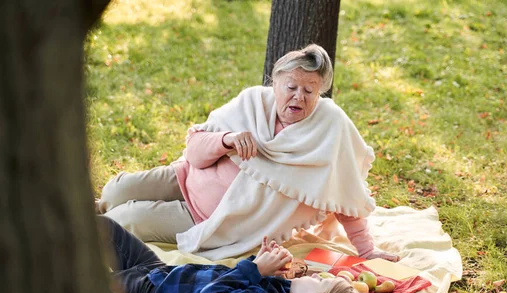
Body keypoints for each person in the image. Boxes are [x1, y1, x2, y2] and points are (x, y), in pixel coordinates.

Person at [97, 43, 400, 262]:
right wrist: (227, 140)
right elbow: (194, 152)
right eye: (291, 86)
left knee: (125, 219)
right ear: (275, 83)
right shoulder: (253, 101)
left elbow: (344, 191)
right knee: (115, 189)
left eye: (309, 91)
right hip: (185, 177)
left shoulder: (330, 127)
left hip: (208, 218)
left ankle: (76, 229)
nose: (299, 96)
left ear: (319, 93)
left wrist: (367, 249)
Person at [101, 216, 379, 293]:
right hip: (160, 273)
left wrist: (256, 270)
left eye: (320, 282)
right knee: (104, 227)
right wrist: (265, 266)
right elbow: (236, 280)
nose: (317, 275)